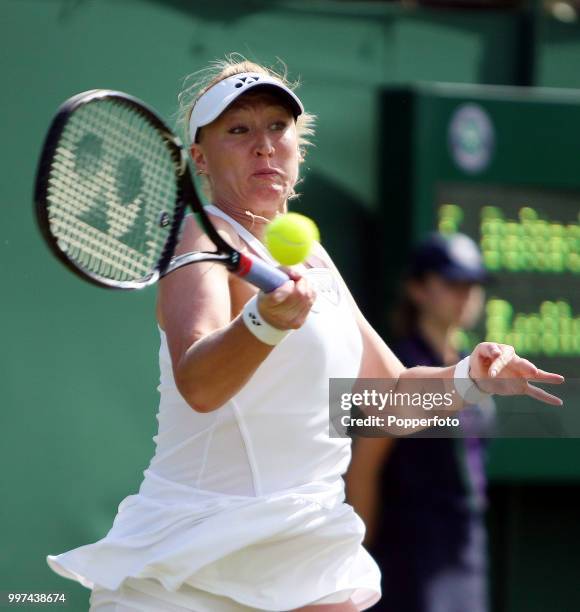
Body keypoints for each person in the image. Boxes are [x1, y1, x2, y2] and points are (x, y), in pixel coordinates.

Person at [45, 57, 563, 612]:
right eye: (238, 130)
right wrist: (265, 323)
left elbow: (384, 403)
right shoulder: (203, 239)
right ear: (200, 157)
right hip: (194, 569)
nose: (264, 145)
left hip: (308, 558)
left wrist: (469, 378)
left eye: (277, 126)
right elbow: (198, 382)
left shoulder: (315, 258)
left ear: (299, 143)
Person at [346, 233, 497, 612]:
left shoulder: (471, 363)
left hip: (466, 544)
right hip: (408, 550)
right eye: (451, 282)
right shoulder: (398, 367)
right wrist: (357, 552)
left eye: (472, 284)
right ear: (417, 289)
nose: (465, 294)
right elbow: (364, 468)